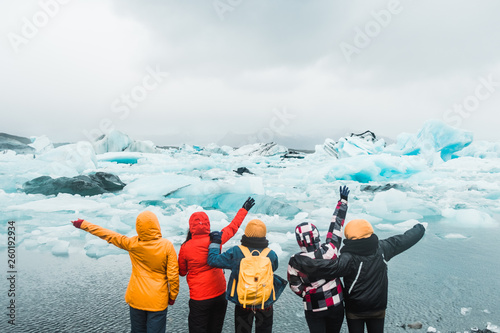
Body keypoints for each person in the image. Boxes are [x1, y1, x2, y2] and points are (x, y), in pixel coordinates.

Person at [289, 219, 426, 333]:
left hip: (355, 309)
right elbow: (404, 240)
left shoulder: (347, 258)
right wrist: (420, 229)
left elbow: (328, 268)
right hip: (378, 307)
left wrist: (302, 262)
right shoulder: (383, 248)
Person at [71, 211, 179, 333]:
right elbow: (173, 274)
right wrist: (172, 296)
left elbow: (108, 235)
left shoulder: (132, 243)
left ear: (138, 227)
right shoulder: (167, 246)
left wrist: (83, 224)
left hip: (136, 299)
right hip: (157, 300)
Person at [178, 197, 255, 333]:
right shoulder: (215, 240)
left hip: (199, 298)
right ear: (207, 224)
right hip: (219, 295)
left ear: (191, 227)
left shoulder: (185, 247)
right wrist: (244, 210)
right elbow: (232, 227)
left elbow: (182, 272)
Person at [287, 185, 350, 333]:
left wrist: (307, 293)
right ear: (316, 235)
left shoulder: (294, 261)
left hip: (313, 306)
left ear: (298, 240)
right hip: (336, 303)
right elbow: (336, 226)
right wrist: (343, 202)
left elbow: (294, 285)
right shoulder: (330, 251)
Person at [207, 219, 287, 333]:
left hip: (243, 302)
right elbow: (274, 267)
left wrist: (215, 242)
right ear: (264, 235)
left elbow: (213, 260)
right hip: (265, 303)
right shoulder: (270, 254)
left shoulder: (236, 252)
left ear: (246, 234)